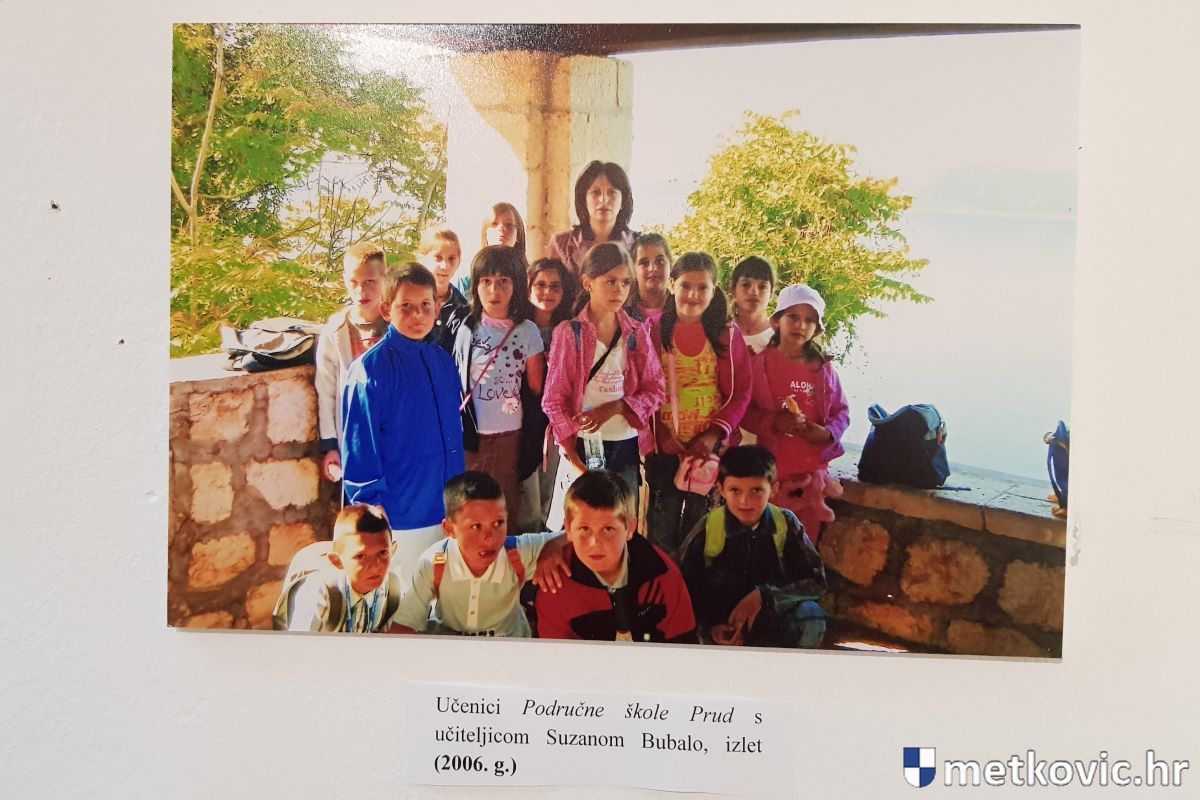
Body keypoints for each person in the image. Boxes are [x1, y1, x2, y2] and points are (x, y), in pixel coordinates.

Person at [340, 263, 466, 584]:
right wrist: (373, 510)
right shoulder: (369, 370)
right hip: (401, 516)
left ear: (437, 307)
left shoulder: (443, 362)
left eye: (425, 305)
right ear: (386, 310)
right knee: (406, 598)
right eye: (406, 306)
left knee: (443, 593)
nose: (417, 315)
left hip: (447, 509)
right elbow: (360, 448)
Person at [542, 242, 665, 518]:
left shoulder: (636, 333)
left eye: (625, 282)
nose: (619, 290)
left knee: (620, 525)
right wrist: (574, 459)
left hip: (626, 445)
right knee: (582, 525)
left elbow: (656, 389)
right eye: (610, 281)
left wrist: (618, 407)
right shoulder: (569, 334)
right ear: (588, 282)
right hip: (582, 445)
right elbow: (553, 400)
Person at [645, 251, 752, 555]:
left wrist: (712, 435)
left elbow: (741, 391)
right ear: (671, 285)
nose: (693, 295)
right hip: (666, 449)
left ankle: (694, 584)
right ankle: (664, 582)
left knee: (702, 533)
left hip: (709, 452)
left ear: (714, 290)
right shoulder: (653, 330)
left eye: (702, 287)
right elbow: (640, 385)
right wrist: (659, 433)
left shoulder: (726, 335)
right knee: (661, 532)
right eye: (686, 286)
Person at [677, 446, 827, 648]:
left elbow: (816, 581)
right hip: (722, 628)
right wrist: (709, 629)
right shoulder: (709, 527)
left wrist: (764, 596)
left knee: (811, 617)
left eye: (756, 490)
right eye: (735, 490)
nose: (745, 501)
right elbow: (681, 587)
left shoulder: (785, 524)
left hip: (771, 624)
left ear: (773, 489)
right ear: (721, 489)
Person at [391, 472, 568, 637]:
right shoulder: (433, 563)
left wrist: (552, 546)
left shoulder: (518, 553)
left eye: (498, 523)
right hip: (451, 652)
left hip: (508, 652)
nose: (489, 538)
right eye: (476, 527)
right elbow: (404, 624)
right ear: (449, 529)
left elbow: (575, 533)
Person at [536, 470, 697, 643]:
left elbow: (683, 643)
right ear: (568, 528)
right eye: (584, 529)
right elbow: (556, 654)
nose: (595, 542)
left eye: (608, 529)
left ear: (630, 528)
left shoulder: (662, 576)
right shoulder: (555, 585)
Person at [744, 284, 849, 546]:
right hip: (771, 476)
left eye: (809, 320)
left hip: (811, 478)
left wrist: (827, 434)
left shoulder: (823, 371)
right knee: (766, 543)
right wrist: (773, 422)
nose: (801, 325)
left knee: (802, 546)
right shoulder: (759, 366)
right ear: (776, 321)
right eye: (793, 317)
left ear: (817, 329)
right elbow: (744, 412)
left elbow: (842, 411)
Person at [452, 246, 545, 517]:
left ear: (516, 285)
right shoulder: (466, 327)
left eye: (504, 281)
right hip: (472, 436)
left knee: (505, 506)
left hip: (510, 436)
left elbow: (535, 387)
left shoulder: (528, 331)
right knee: (470, 507)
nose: (494, 290)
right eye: (486, 281)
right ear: (476, 285)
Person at [314, 243, 390, 483]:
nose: (361, 290)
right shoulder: (336, 331)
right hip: (354, 437)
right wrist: (330, 445)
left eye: (370, 282)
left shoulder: (398, 325)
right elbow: (326, 392)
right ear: (344, 280)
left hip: (394, 437)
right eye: (354, 282)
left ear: (385, 278)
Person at [518, 258, 578, 532]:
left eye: (555, 286)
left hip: (558, 423)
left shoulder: (571, 329)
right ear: (528, 287)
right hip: (525, 421)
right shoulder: (517, 328)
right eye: (540, 285)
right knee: (527, 497)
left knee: (553, 493)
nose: (547, 292)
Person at [276, 503, 401, 633]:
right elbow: (300, 644)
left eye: (383, 553)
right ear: (337, 561)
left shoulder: (393, 590)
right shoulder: (319, 594)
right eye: (361, 556)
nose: (375, 566)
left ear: (393, 550)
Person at [544, 161, 637, 278]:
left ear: (623, 201)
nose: (603, 200)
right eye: (595, 193)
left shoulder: (637, 244)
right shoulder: (560, 245)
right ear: (584, 200)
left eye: (612, 193)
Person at [416, 227, 468, 351]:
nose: (445, 266)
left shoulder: (463, 308)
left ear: (459, 262)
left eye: (451, 259)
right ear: (421, 259)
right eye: (438, 258)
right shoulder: (408, 301)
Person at [729, 256, 777, 356]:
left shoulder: (780, 336)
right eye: (746, 285)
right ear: (733, 290)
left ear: (771, 294)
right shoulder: (722, 333)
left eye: (762, 286)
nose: (754, 292)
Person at [630, 232, 671, 324]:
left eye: (660, 261)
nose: (653, 268)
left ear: (670, 265)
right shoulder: (621, 314)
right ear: (633, 269)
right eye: (644, 263)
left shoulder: (684, 309)